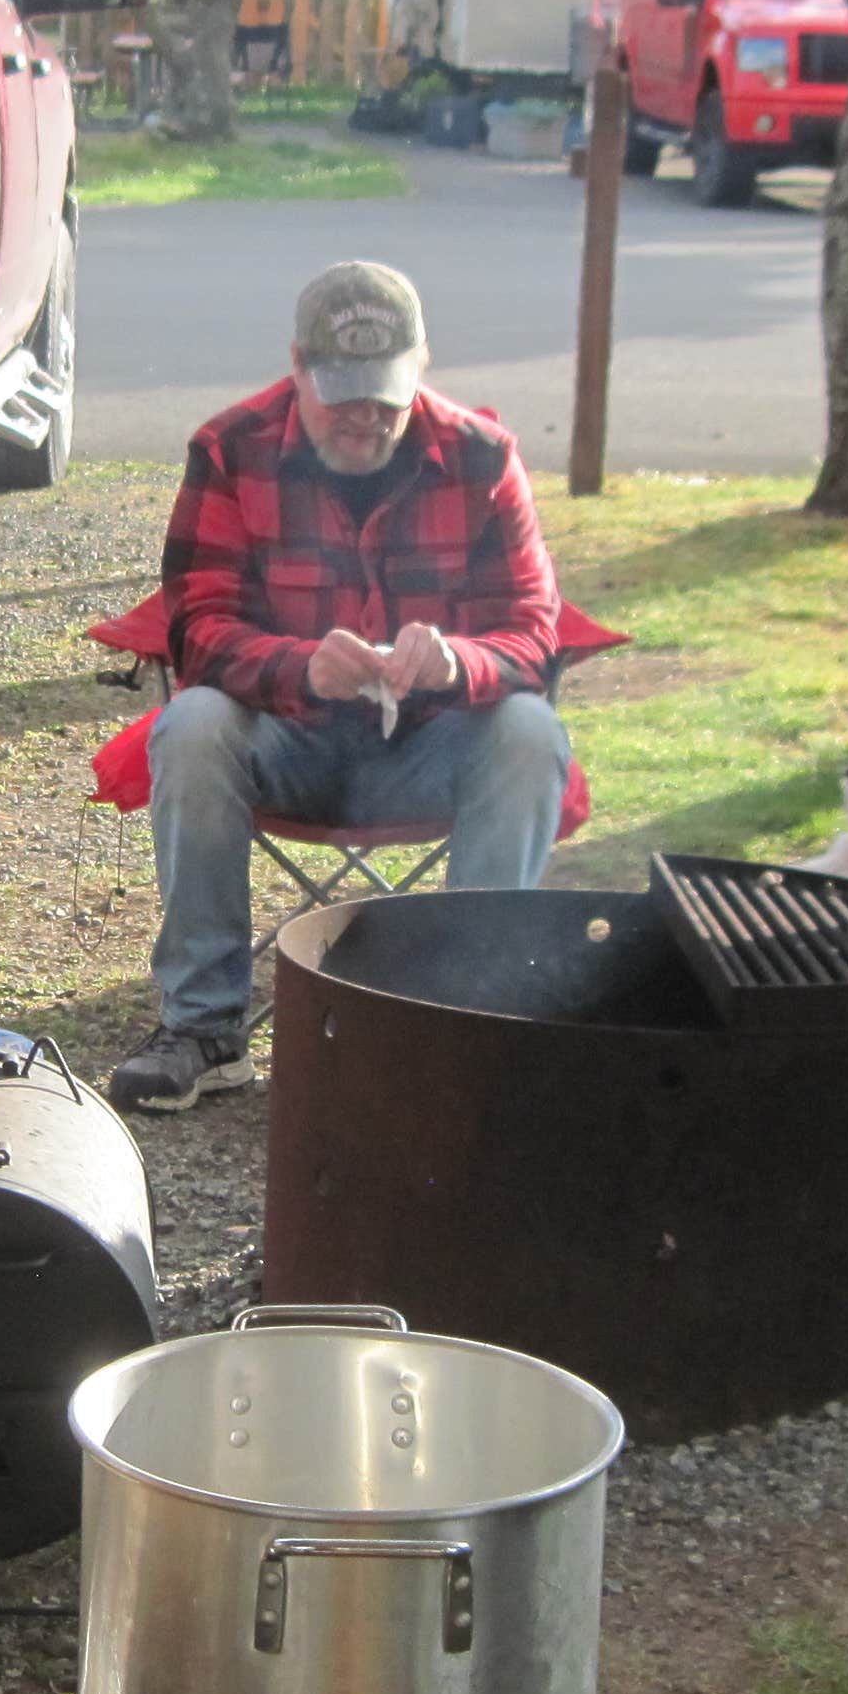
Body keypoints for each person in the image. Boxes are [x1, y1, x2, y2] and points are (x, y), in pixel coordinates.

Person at [112, 260, 572, 1115]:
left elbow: (534, 632)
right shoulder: (229, 448)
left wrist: (457, 661)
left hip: (432, 747)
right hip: (284, 740)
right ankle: (204, 1028)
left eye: (385, 399)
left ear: (423, 365)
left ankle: (468, 1016)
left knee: (529, 732)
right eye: (342, 396)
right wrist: (297, 664)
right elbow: (196, 627)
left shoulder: (482, 457)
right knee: (194, 721)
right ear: (295, 365)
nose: (364, 421)